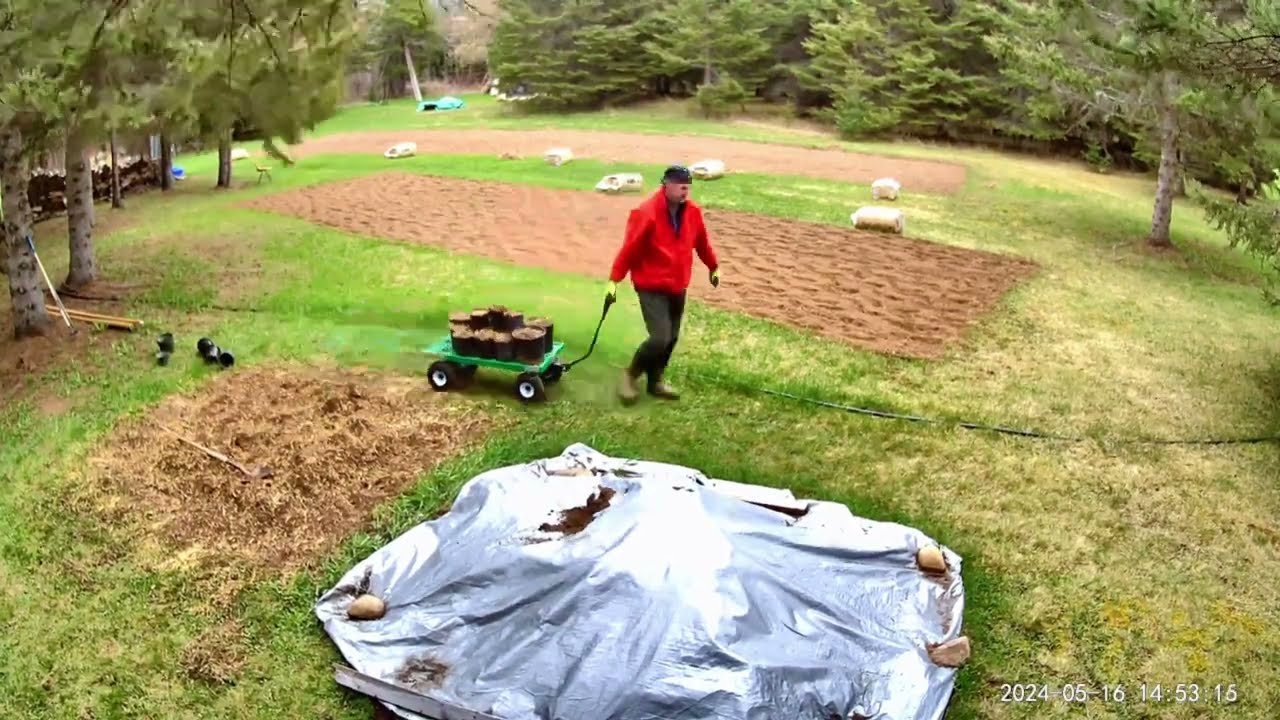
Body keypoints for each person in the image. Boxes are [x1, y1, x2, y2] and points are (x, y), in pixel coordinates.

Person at [606, 165, 720, 404]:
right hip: (650, 284)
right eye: (680, 186)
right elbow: (629, 249)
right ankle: (629, 375)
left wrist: (713, 266)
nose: (684, 191)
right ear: (666, 185)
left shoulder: (693, 213)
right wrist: (614, 281)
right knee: (660, 337)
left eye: (687, 187)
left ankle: (655, 381)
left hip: (677, 284)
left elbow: (702, 243)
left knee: (672, 337)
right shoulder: (645, 213)